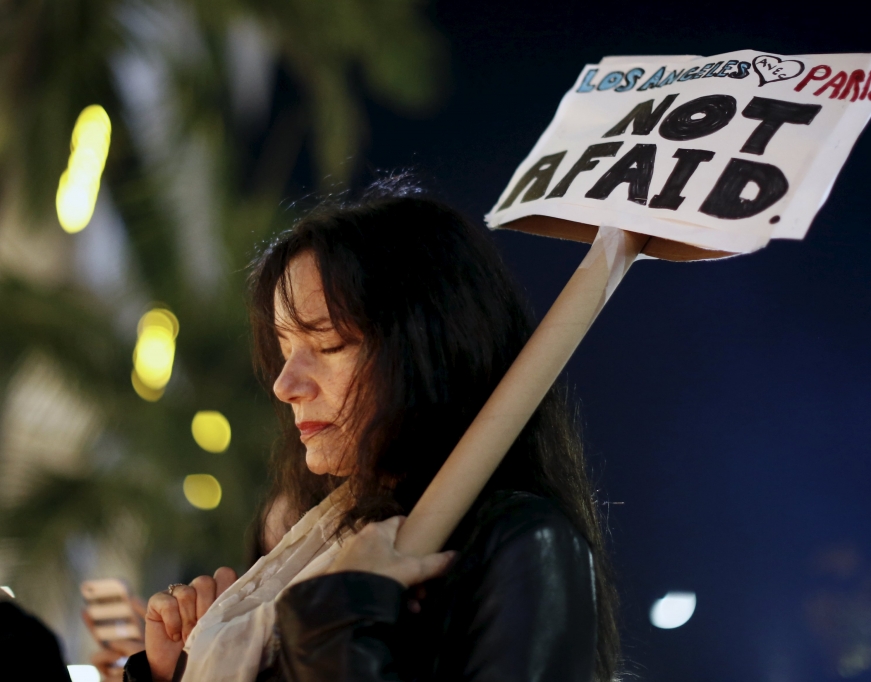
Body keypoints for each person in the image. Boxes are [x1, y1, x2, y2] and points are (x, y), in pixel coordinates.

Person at [125, 179, 619, 681]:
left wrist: (341, 616)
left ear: (428, 348)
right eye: (283, 348)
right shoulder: (315, 544)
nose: (285, 384)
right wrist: (170, 676)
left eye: (331, 343)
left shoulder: (519, 545)